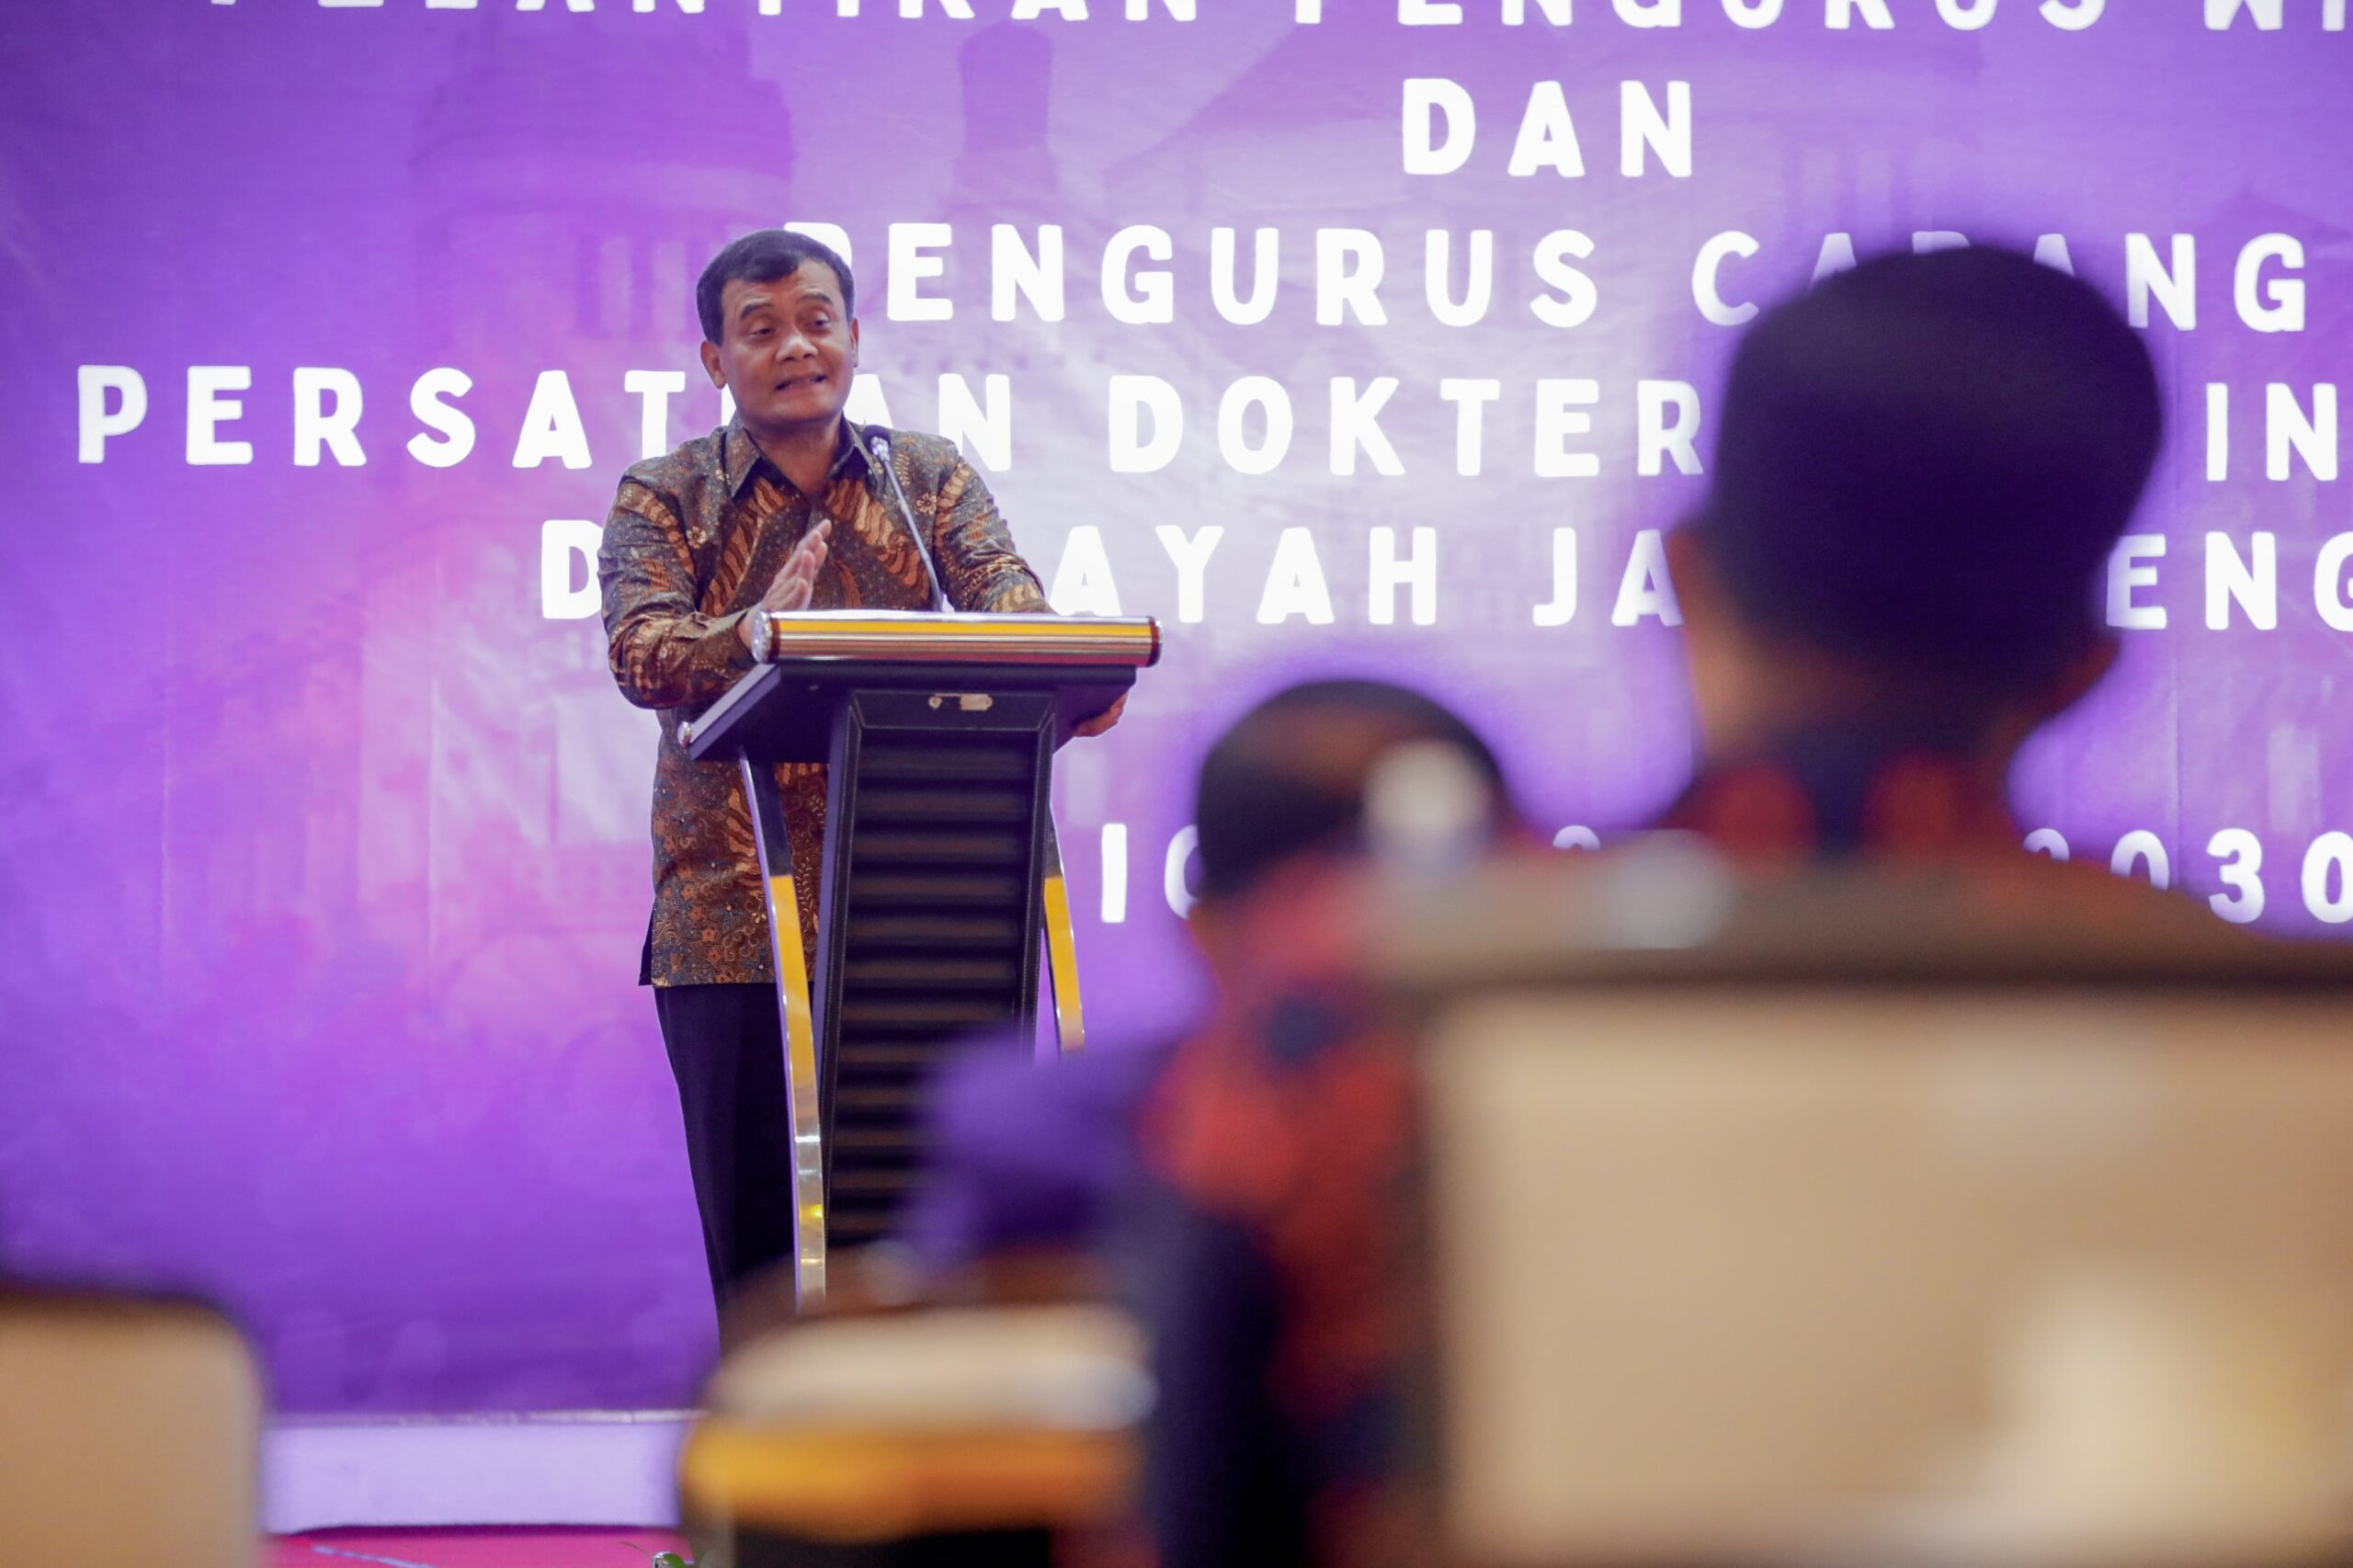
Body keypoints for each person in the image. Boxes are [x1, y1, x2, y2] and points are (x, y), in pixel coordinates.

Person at [1133, 245, 2225, 1568]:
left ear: (1682, 577)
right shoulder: (2260, 1044)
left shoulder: (1356, 999)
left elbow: (1196, 1519)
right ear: (2086, 667)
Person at [597, 228, 1120, 1314]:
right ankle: (776, 1424)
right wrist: (756, 629)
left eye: (817, 321)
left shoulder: (922, 478)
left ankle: (946, 1418)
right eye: (762, 329)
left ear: (852, 335)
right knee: (764, 1249)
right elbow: (640, 652)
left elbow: (1003, 593)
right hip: (736, 920)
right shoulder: (666, 494)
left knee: (936, 1233)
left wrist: (1049, 655)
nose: (796, 347)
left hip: (922, 915)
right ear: (716, 360)